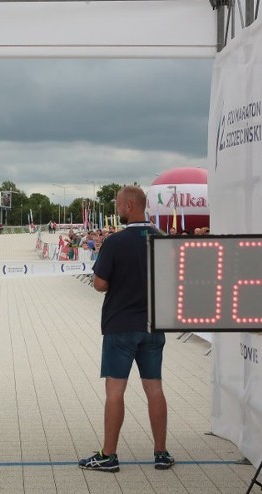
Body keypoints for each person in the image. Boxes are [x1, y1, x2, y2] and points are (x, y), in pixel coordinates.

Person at [79, 185, 174, 473]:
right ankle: (161, 453)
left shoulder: (115, 242)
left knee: (115, 390)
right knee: (154, 387)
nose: (117, 211)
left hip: (120, 325)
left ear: (130, 206)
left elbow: (99, 283)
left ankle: (108, 455)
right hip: (152, 325)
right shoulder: (162, 239)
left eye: (119, 206)